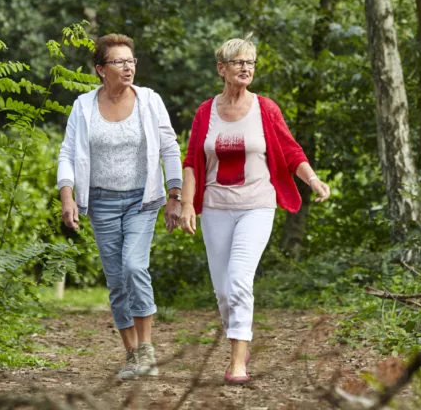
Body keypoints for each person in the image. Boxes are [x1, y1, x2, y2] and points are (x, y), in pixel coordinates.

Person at [179, 36, 331, 385]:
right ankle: (240, 341)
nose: (246, 68)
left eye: (250, 62)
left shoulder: (266, 109)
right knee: (221, 290)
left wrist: (313, 180)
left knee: (238, 280)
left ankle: (236, 363)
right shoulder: (206, 111)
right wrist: (188, 203)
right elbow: (191, 161)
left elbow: (291, 152)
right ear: (222, 69)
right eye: (238, 62)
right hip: (216, 207)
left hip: (256, 206)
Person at [57, 33, 182, 380]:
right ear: (101, 69)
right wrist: (68, 196)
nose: (128, 68)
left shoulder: (149, 101)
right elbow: (67, 153)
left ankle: (147, 350)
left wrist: (175, 195)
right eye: (119, 62)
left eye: (131, 61)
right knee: (115, 280)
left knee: (133, 267)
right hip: (100, 201)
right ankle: (131, 356)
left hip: (142, 200)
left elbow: (170, 148)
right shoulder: (83, 106)